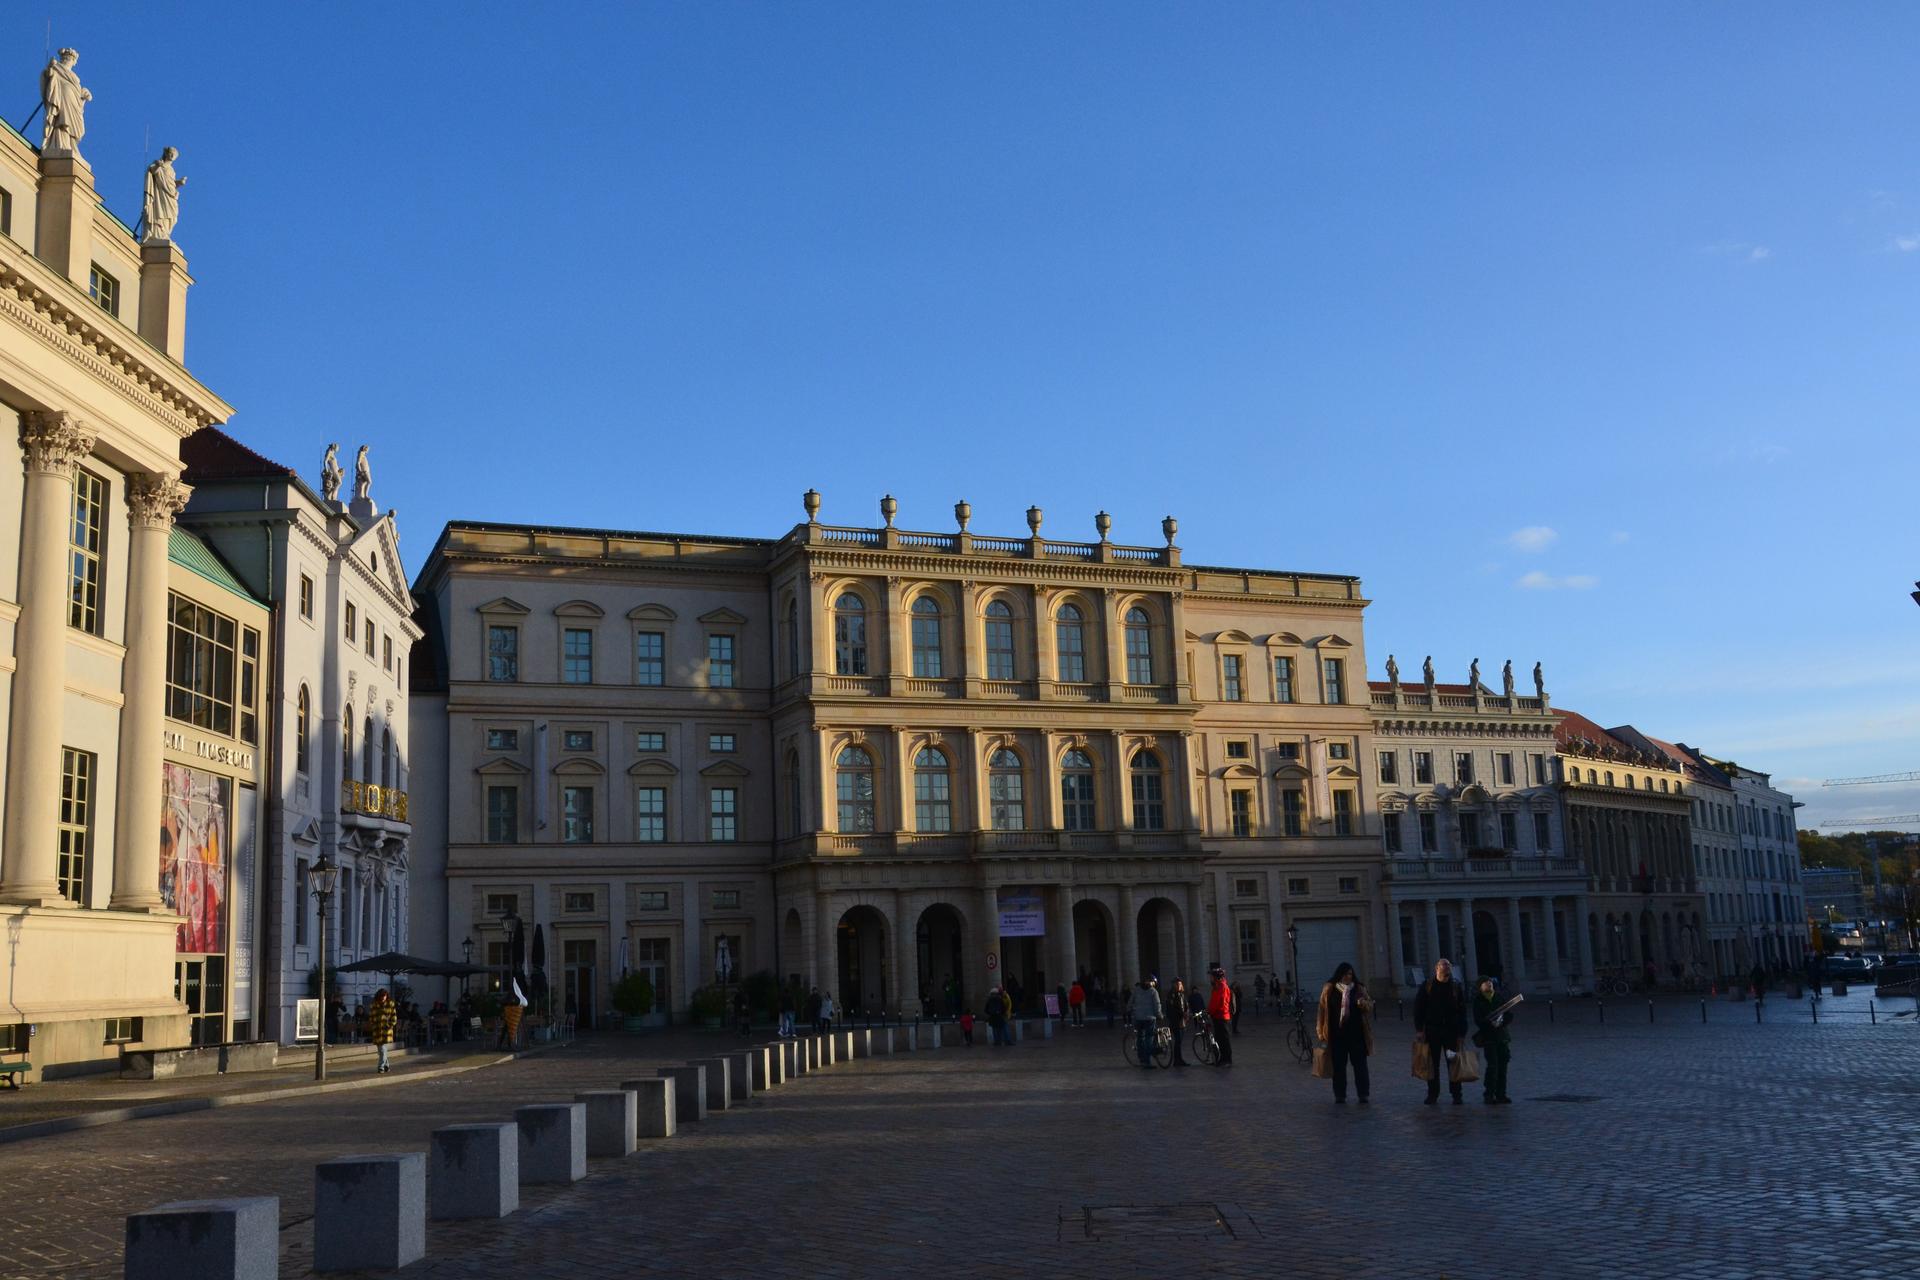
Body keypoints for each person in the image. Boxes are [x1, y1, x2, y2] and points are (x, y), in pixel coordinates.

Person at [1316, 963, 1374, 1104]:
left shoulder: (1359, 988)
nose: (1349, 976)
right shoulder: (1329, 989)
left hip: (1357, 1035)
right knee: (1339, 1068)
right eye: (1346, 974)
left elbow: (1369, 1006)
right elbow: (1322, 1011)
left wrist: (1363, 1004)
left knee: (1360, 1066)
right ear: (1340, 974)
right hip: (1337, 1036)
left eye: (1350, 974)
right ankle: (1340, 1095)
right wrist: (1320, 1032)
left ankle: (1363, 1094)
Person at [1414, 958, 1468, 1105]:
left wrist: (1462, 1033)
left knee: (1453, 1063)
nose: (1446, 970)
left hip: (1451, 1033)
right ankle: (1433, 1094)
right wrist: (1419, 1029)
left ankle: (1457, 1094)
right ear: (1436, 968)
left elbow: (1462, 1012)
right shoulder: (1428, 986)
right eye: (1443, 967)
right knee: (1432, 1065)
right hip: (1432, 1032)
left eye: (1448, 967)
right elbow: (1418, 1009)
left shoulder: (1455, 987)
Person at [1472, 976, 1514, 1105]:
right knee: (1492, 1066)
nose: (1489, 984)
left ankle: (1501, 1094)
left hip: (1502, 1036)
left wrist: (1501, 1023)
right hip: (1489, 1037)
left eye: (1490, 982)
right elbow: (1478, 1020)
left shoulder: (1499, 997)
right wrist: (1490, 1023)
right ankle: (1489, 1094)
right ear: (1480, 986)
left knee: (1503, 1066)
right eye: (1485, 983)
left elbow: (1509, 1015)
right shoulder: (1478, 1000)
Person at [1127, 977, 1163, 1068]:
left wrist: (1129, 1009)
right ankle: (1147, 1062)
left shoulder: (1136, 990)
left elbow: (1130, 1001)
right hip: (1149, 1018)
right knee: (1148, 1039)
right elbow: (1157, 1004)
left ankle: (1142, 1059)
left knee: (1140, 1038)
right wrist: (1159, 1015)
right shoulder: (1153, 991)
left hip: (1138, 1018)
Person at [1207, 965, 1234, 1067]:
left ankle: (1227, 1060)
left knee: (1224, 1040)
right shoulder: (1216, 987)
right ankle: (1222, 1059)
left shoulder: (1222, 987)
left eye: (1212, 976)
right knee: (1219, 1039)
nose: (1211, 978)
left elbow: (1220, 1003)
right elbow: (1213, 1001)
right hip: (1217, 1016)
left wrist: (1211, 1011)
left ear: (1217, 977)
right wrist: (1209, 1010)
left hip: (1222, 1017)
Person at [368, 989, 398, 1074]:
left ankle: (380, 1067)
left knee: (382, 1049)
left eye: (384, 996)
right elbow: (371, 1016)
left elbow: (394, 1016)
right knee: (381, 1050)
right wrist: (373, 1023)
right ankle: (386, 1066)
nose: (383, 998)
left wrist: (390, 1024)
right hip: (377, 1030)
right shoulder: (374, 1005)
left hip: (386, 1030)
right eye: (381, 996)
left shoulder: (390, 1004)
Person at [1166, 978, 1191, 1066]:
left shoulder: (1182, 994)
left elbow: (1186, 1005)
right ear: (1174, 985)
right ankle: (1177, 1060)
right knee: (1178, 1041)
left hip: (1182, 1021)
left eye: (1180, 984)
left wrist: (1187, 1012)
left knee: (1179, 1041)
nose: (1179, 986)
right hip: (1175, 1021)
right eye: (1177, 984)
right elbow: (1172, 1008)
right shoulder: (1171, 995)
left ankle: (1179, 1059)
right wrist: (1182, 1013)